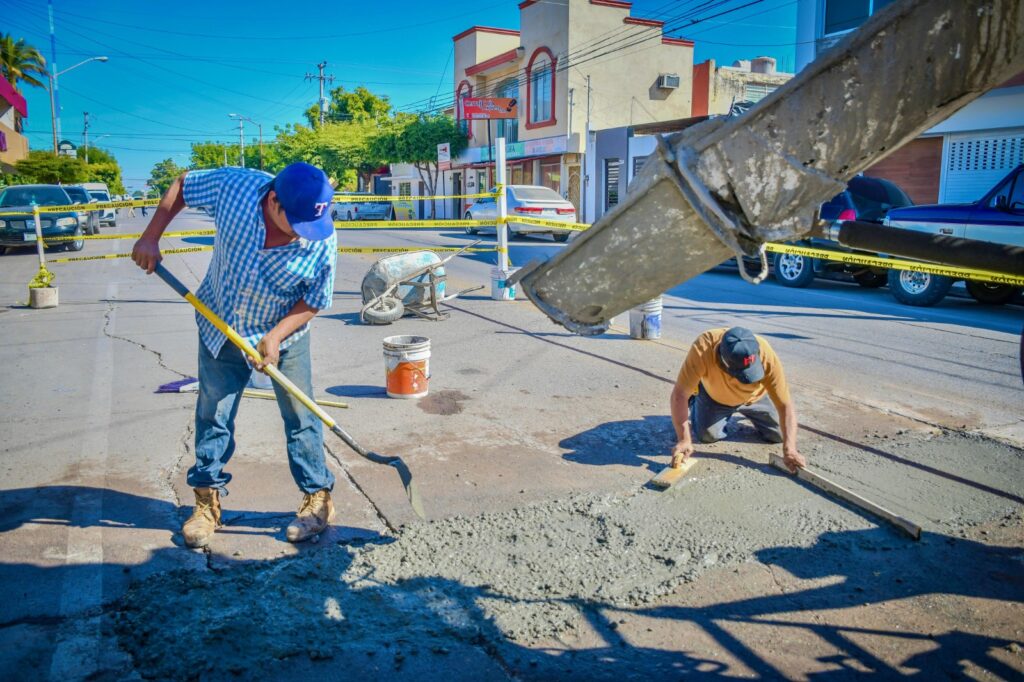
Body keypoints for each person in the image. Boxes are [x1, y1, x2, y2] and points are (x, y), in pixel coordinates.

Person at [131, 162, 338, 548]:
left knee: (301, 413)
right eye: (295, 222)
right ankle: (207, 503)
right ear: (274, 200)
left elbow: (315, 299)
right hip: (220, 322)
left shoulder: (321, 237)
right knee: (214, 412)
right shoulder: (237, 188)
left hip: (283, 334)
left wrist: (275, 336)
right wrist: (150, 236)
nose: (303, 234)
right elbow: (182, 185)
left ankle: (318, 499)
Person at [669, 327, 806, 473]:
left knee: (778, 435)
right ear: (722, 360)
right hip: (715, 397)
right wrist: (684, 439)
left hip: (756, 398)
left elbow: (785, 405)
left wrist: (790, 449)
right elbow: (679, 395)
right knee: (707, 436)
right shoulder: (704, 348)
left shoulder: (766, 354)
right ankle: (696, 401)